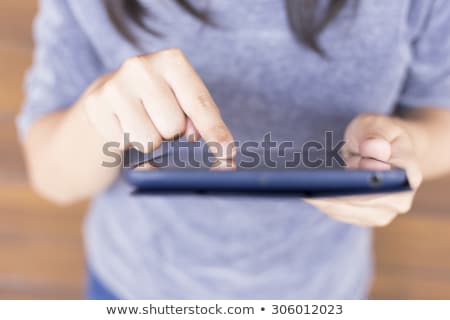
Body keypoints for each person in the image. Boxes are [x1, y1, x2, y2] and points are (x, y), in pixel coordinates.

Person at [17, 0, 450, 299]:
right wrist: (102, 114)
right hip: (135, 284)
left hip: (322, 290)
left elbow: (440, 119)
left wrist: (409, 149)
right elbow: (50, 174)